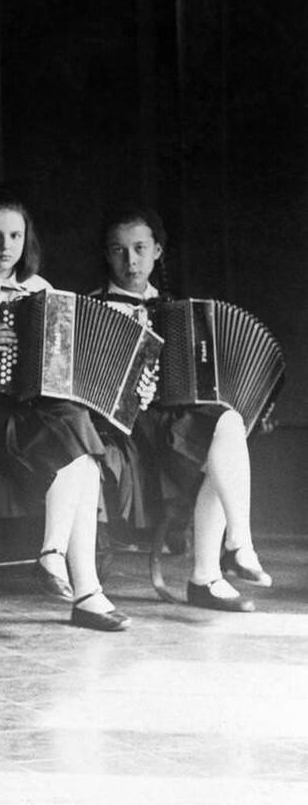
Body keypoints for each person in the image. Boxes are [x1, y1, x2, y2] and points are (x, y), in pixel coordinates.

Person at [0, 188, 127, 631]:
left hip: (36, 411)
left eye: (15, 236)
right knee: (78, 444)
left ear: (27, 240)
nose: (5, 247)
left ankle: (66, 569)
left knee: (83, 455)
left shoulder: (42, 290)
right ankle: (81, 588)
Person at [91, 205, 270, 611]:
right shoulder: (94, 309)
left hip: (174, 422)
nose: (131, 260)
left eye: (140, 248)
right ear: (106, 254)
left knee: (228, 425)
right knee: (222, 443)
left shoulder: (179, 310)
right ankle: (219, 564)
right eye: (119, 250)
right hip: (126, 428)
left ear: (157, 251)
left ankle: (229, 552)